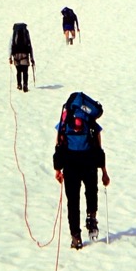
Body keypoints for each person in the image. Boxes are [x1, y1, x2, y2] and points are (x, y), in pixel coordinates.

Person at [53, 91, 110, 249]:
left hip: (70, 164)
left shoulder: (65, 120)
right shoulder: (89, 120)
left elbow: (58, 144)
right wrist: (104, 172)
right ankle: (92, 218)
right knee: (91, 192)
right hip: (89, 162)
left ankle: (75, 237)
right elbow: (98, 147)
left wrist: (57, 169)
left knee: (73, 201)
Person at [9, 22, 35, 91]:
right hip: (25, 54)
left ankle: (19, 84)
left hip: (16, 55)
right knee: (25, 71)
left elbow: (10, 45)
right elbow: (29, 44)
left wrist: (10, 57)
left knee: (18, 71)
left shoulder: (14, 33)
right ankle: (25, 84)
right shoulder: (26, 33)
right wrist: (32, 58)